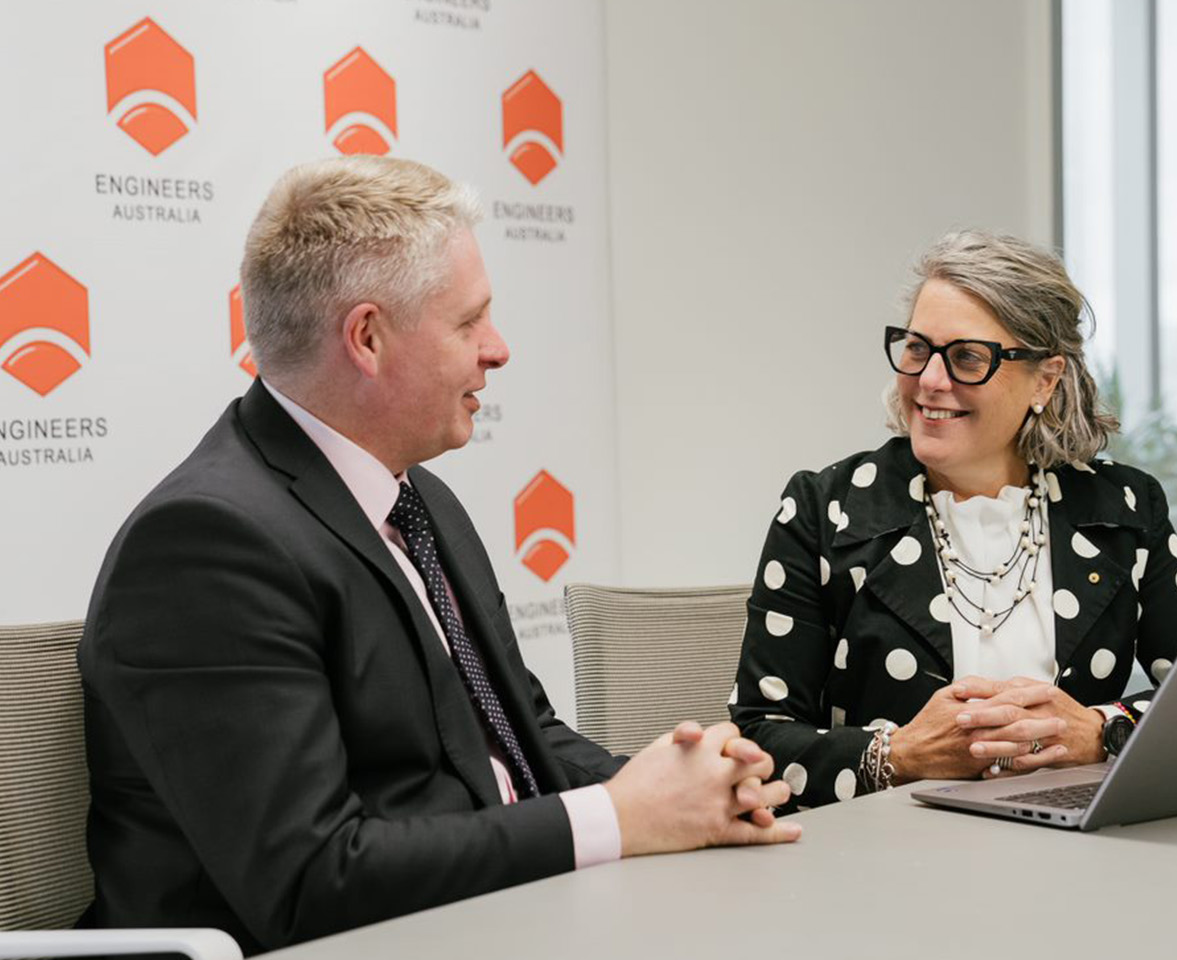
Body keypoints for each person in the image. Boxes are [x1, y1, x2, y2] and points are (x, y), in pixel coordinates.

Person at [78, 156, 798, 954]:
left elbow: (521, 734)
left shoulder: (419, 500)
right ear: (367, 338)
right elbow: (311, 883)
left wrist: (692, 790)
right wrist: (617, 818)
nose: (498, 349)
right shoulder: (206, 545)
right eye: (469, 323)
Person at [730, 229, 1177, 810]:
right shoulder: (827, 510)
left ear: (1045, 380)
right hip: (890, 851)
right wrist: (900, 755)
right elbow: (758, 738)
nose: (930, 380)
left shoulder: (1121, 509)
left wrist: (1104, 732)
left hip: (1080, 849)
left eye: (968, 358)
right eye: (917, 348)